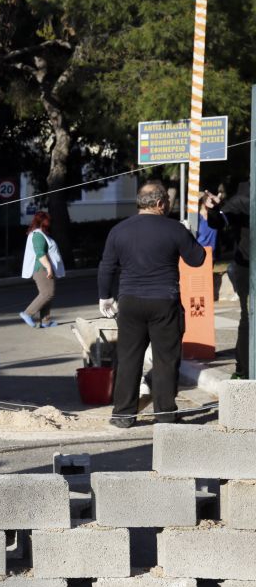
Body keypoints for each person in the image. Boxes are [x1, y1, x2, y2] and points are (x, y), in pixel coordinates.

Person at [98, 182, 206, 428]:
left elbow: (106, 267)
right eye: (167, 202)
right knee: (166, 359)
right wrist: (188, 234)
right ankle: (165, 413)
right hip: (164, 301)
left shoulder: (118, 230)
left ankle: (123, 415)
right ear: (159, 204)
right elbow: (197, 259)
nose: (168, 205)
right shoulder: (174, 229)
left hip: (129, 302)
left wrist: (105, 296)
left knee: (128, 358)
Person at [206, 179, 250, 379]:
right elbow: (219, 221)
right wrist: (214, 210)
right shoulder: (243, 198)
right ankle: (244, 370)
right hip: (248, 269)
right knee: (249, 317)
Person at [19, 211, 65, 328]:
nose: (49, 222)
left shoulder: (41, 234)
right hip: (42, 269)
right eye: (47, 220)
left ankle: (45, 321)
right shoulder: (38, 235)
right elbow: (40, 253)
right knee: (47, 293)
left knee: (47, 294)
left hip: (44, 268)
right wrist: (49, 268)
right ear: (42, 221)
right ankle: (27, 313)